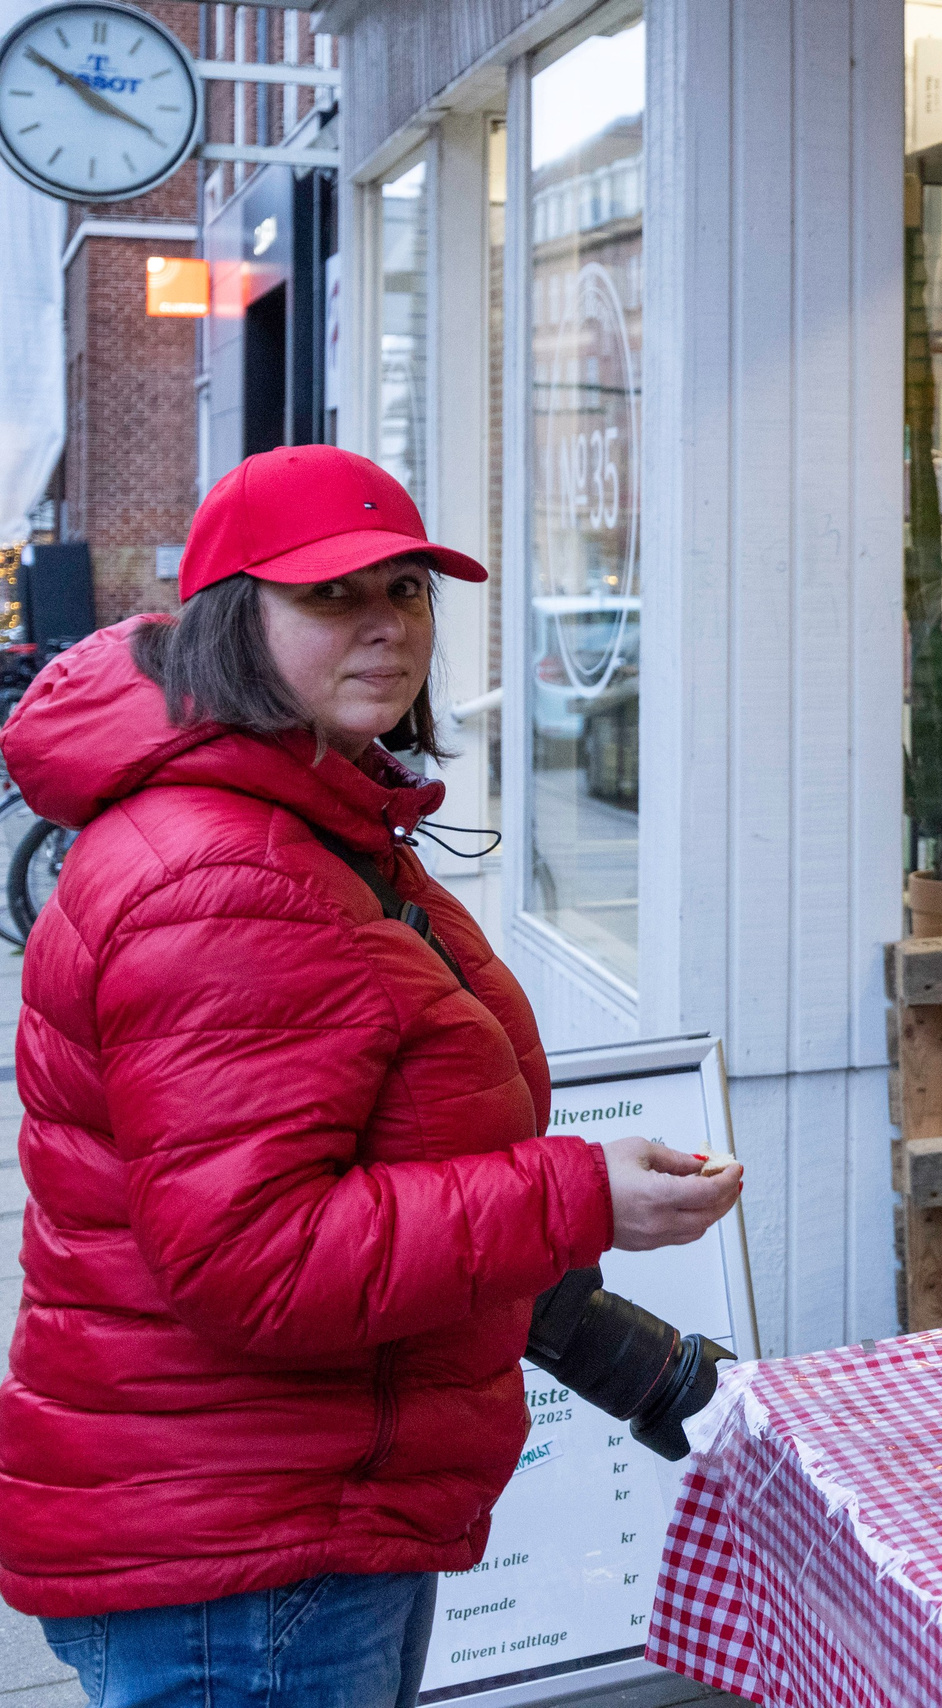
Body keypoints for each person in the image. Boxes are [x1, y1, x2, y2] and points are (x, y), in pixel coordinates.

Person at [0, 446, 742, 1706]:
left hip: (294, 1515)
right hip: (244, 1553)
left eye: (406, 590)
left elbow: (397, 1172)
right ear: (235, 621)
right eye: (331, 597)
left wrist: (636, 1359)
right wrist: (577, 1197)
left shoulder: (311, 821)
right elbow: (262, 1259)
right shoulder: (224, 875)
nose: (386, 626)